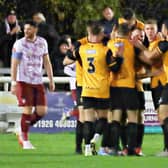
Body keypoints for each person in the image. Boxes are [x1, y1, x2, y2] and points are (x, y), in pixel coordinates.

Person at [10, 20, 55, 149]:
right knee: (27, 110)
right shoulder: (19, 44)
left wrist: (51, 79)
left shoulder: (42, 42)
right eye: (25, 29)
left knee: (42, 111)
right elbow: (14, 63)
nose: (26, 31)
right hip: (23, 81)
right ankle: (25, 140)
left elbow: (47, 62)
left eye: (29, 29)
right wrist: (13, 82)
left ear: (35, 29)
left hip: (38, 81)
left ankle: (21, 128)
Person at [135, 20, 168, 156]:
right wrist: (140, 76)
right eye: (147, 29)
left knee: (164, 116)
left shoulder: (161, 43)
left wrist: (137, 45)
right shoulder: (151, 45)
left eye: (153, 29)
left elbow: (152, 61)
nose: (150, 31)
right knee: (162, 119)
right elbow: (152, 69)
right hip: (156, 86)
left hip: (164, 83)